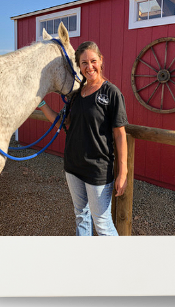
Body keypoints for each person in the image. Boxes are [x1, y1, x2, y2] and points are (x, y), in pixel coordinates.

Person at [40, 41, 128, 236]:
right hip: (73, 167)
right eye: (84, 63)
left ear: (101, 61)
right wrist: (43, 104)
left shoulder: (112, 93)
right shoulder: (76, 95)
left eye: (93, 61)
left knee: (102, 224)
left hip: (98, 169)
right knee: (81, 215)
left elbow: (120, 134)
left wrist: (123, 173)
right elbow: (64, 123)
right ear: (79, 66)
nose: (89, 67)